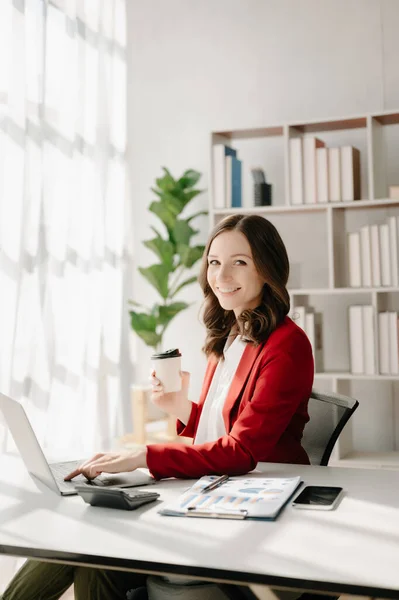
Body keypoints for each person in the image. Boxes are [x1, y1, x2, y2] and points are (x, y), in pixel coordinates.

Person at [2, 214, 314, 600]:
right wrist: (182, 407)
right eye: (214, 262)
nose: (222, 274)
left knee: (93, 551)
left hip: (252, 500)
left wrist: (142, 456)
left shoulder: (287, 344)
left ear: (268, 269)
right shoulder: (231, 335)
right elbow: (227, 426)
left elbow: (243, 449)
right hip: (213, 486)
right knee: (85, 534)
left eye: (240, 262)